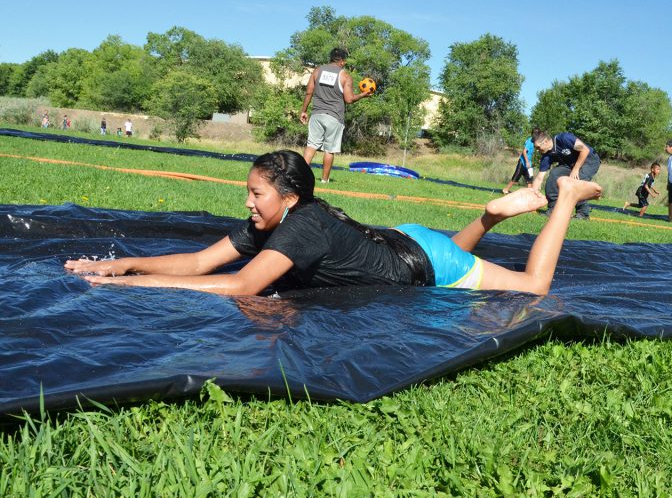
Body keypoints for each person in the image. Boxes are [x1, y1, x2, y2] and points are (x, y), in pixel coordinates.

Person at [65, 150, 603, 296]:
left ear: (290, 197)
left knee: (533, 287)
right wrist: (126, 263)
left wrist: (137, 284)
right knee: (448, 254)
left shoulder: (300, 226)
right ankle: (487, 216)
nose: (249, 204)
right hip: (402, 237)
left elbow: (239, 285)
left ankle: (564, 198)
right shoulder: (274, 221)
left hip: (422, 259)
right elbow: (203, 262)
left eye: (256, 195)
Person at [299, 47, 373, 183]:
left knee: (311, 146)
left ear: (331, 58)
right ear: (343, 62)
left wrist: (303, 110)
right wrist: (363, 95)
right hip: (334, 117)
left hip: (316, 114)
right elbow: (349, 99)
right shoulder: (345, 76)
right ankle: (324, 180)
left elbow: (309, 92)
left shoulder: (317, 70)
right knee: (329, 150)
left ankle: (300, 177)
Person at [530, 128, 601, 220]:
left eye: (538, 147)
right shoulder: (547, 156)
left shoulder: (564, 138)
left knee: (576, 182)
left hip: (589, 160)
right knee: (554, 175)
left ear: (546, 142)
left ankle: (583, 214)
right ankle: (553, 209)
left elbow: (585, 150)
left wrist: (576, 168)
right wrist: (532, 197)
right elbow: (539, 178)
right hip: (570, 164)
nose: (537, 150)